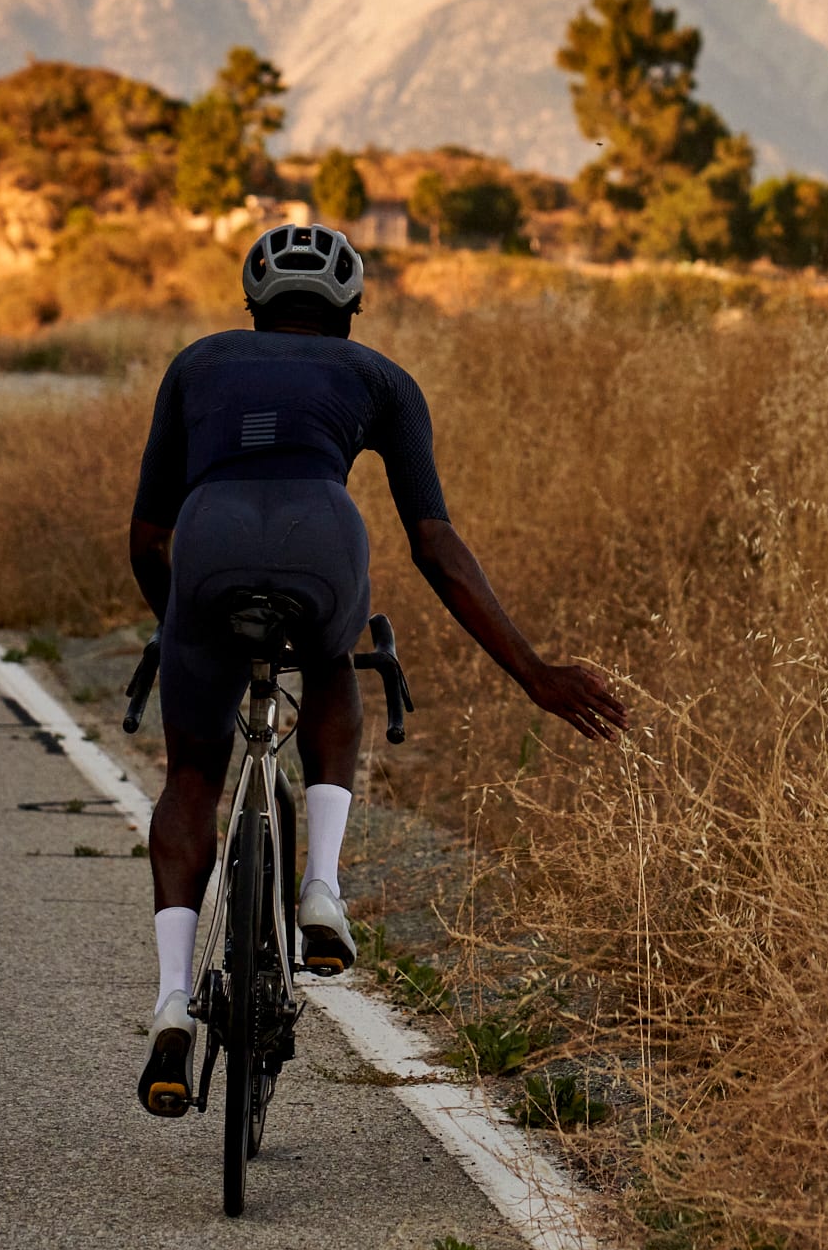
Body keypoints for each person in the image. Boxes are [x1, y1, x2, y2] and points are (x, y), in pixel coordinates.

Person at [125, 222, 626, 1115]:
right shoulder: (383, 380)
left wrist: (180, 628)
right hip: (323, 538)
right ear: (351, 309)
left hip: (206, 544)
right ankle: (320, 891)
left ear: (252, 306)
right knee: (334, 667)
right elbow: (434, 544)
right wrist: (534, 673)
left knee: (193, 774)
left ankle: (171, 1002)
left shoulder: (196, 364)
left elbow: (147, 536)